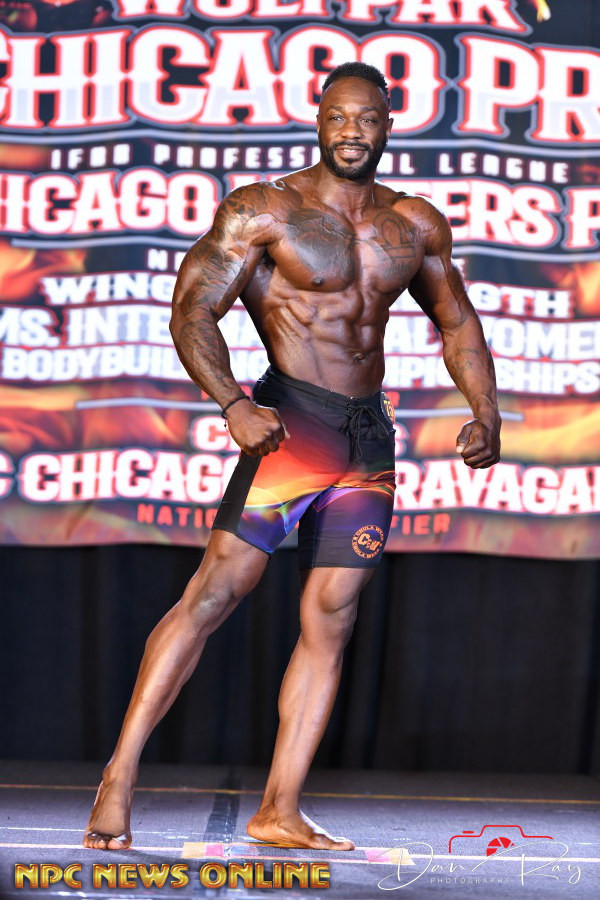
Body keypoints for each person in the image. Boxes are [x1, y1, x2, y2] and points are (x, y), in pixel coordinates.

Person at [83, 61, 501, 853]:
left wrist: (486, 410)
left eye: (366, 118)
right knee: (215, 593)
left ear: (388, 124)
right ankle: (121, 773)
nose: (351, 131)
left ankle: (279, 809)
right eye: (338, 117)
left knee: (332, 618)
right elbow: (193, 308)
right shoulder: (265, 209)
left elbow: (457, 322)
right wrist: (233, 402)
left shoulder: (414, 223)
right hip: (292, 427)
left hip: (366, 440)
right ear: (318, 121)